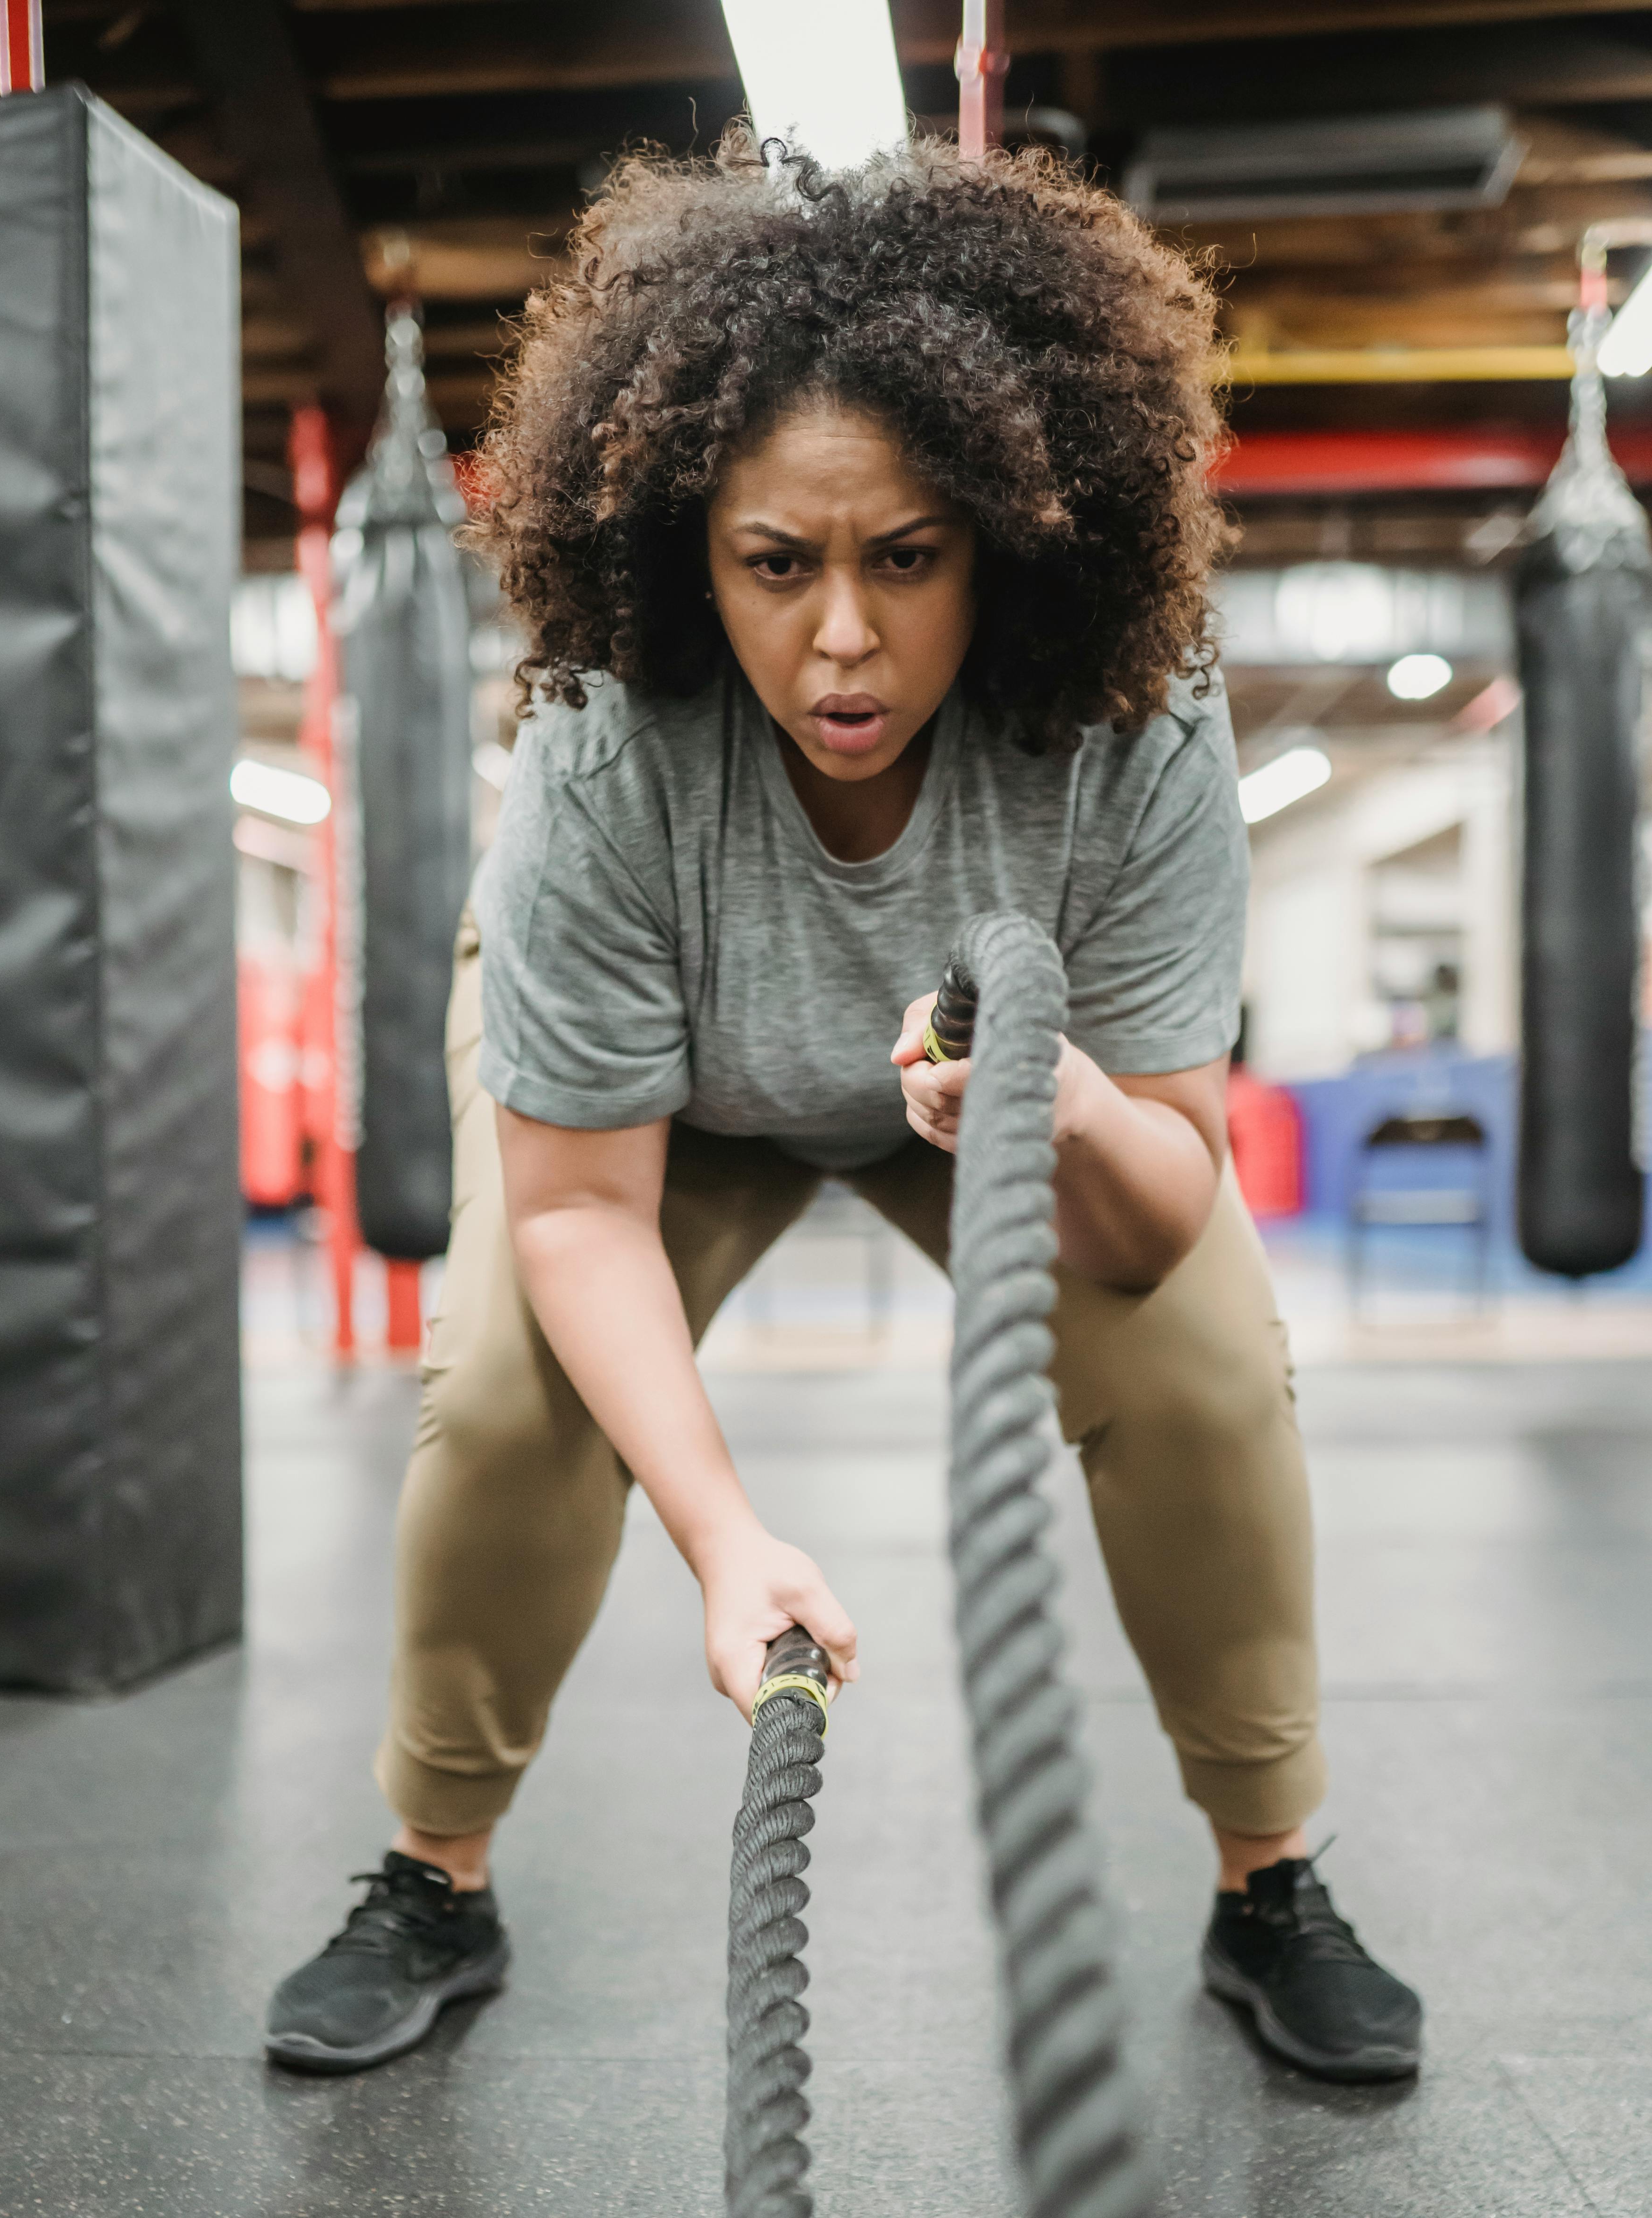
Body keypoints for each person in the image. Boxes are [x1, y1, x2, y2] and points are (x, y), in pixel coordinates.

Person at [265, 136, 1422, 2087]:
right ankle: (434, 1878)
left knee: (1210, 1366)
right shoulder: (604, 730)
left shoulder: (1134, 716)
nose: (841, 643)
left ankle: (1269, 1883)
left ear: (1007, 535)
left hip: (991, 1102)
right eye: (773, 564)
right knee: (509, 1399)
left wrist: (1048, 1118)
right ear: (688, 549)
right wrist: (727, 1545)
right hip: (662, 1113)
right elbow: (571, 1216)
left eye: (907, 557)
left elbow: (1163, 1212)